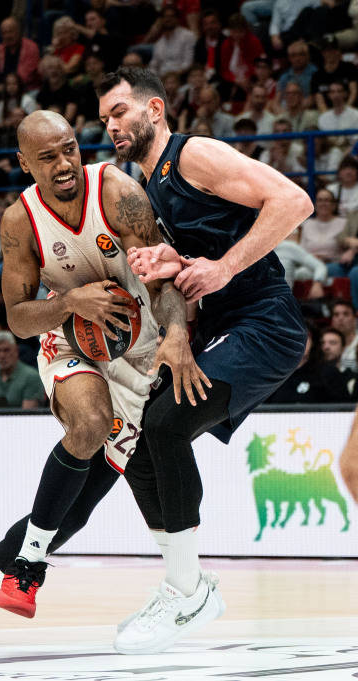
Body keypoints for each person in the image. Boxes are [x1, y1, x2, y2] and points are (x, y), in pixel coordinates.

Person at [0, 110, 201, 651]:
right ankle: (30, 562)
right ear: (24, 163)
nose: (63, 164)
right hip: (71, 336)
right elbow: (17, 318)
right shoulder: (19, 221)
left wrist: (176, 333)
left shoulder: (117, 192)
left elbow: (163, 280)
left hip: (138, 352)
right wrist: (72, 302)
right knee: (90, 423)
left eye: (69, 149)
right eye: (47, 157)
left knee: (73, 512)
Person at [98, 66, 311, 653]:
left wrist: (223, 268)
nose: (111, 125)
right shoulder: (142, 187)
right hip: (222, 326)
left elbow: (294, 201)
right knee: (137, 440)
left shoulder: (193, 155)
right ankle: (186, 584)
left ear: (155, 109)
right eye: (105, 119)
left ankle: (187, 593)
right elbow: (203, 257)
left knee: (166, 425)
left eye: (120, 111)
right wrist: (174, 263)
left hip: (264, 322)